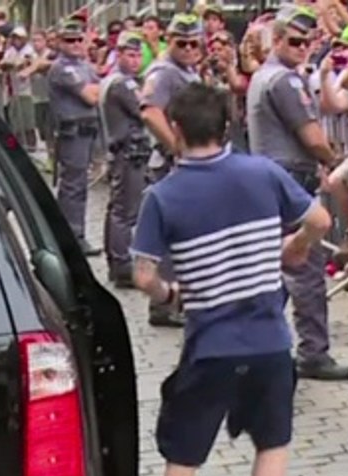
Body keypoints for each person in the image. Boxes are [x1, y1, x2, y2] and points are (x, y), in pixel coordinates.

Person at [130, 84, 332, 476]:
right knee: (273, 441)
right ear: (227, 126)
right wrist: (295, 247)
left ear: (175, 129)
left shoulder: (163, 196)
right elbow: (319, 220)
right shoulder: (262, 173)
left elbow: (142, 271)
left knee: (182, 459)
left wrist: (170, 294)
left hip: (208, 344)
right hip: (268, 341)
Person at [246, 5, 348, 381]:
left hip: (275, 180)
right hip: (290, 181)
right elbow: (309, 135)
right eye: (294, 41)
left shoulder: (266, 76)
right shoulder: (284, 81)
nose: (303, 48)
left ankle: (258, 343)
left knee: (278, 267)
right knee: (305, 271)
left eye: (308, 41)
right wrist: (333, 155)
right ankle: (313, 352)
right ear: (276, 40)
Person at [139, 13, 205, 327]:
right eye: (182, 43)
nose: (190, 48)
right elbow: (150, 112)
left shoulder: (188, 71)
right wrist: (178, 149)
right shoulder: (163, 72)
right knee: (169, 234)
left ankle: (179, 298)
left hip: (188, 162)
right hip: (171, 163)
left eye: (195, 43)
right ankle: (163, 304)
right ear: (169, 40)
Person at [47, 18, 103, 257]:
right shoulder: (62, 68)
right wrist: (94, 89)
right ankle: (71, 237)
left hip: (88, 130)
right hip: (72, 132)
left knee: (79, 186)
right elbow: (92, 96)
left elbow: (101, 89)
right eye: (70, 40)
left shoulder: (85, 66)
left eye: (79, 39)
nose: (76, 44)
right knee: (72, 187)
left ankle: (72, 235)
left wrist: (95, 89)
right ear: (60, 42)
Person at [98, 32, 149, 288]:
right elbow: (144, 109)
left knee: (117, 208)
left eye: (139, 55)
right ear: (119, 54)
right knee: (125, 212)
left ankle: (116, 261)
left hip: (124, 151)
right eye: (130, 55)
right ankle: (121, 264)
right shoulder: (123, 84)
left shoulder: (113, 80)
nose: (135, 60)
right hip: (128, 152)